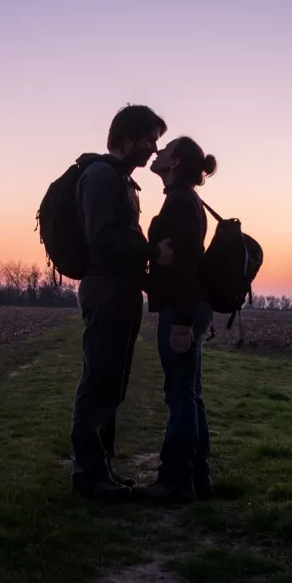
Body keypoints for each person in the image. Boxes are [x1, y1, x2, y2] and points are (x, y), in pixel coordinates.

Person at [70, 104, 174, 501]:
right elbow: (103, 237)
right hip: (107, 291)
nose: (153, 148)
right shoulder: (99, 176)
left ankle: (101, 471)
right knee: (99, 382)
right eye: (149, 138)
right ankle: (87, 475)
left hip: (122, 291)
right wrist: (152, 252)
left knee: (112, 383)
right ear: (127, 138)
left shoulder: (121, 181)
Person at [135, 136, 218, 503]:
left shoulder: (183, 203)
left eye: (165, 150)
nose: (157, 152)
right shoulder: (184, 200)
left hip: (182, 308)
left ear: (176, 162)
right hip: (187, 306)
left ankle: (175, 481)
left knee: (180, 395)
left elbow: (184, 267)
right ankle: (198, 477)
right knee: (190, 393)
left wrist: (182, 322)